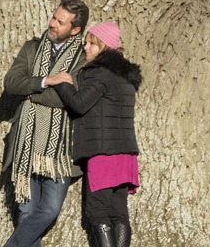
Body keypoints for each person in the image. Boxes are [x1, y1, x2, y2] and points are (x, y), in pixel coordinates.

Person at [0, 0, 90, 247]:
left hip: (60, 149)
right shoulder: (32, 48)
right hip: (25, 145)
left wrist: (30, 94)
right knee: (26, 214)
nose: (52, 24)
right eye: (53, 17)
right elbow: (11, 83)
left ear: (75, 30)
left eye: (60, 22)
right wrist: (46, 81)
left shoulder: (82, 58)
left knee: (49, 209)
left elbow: (72, 98)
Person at [45, 21, 141, 247]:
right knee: (118, 211)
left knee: (96, 211)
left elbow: (80, 104)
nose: (85, 47)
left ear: (105, 46)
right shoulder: (124, 75)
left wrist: (62, 84)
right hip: (126, 154)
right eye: (86, 42)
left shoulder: (99, 72)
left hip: (103, 152)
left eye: (92, 44)